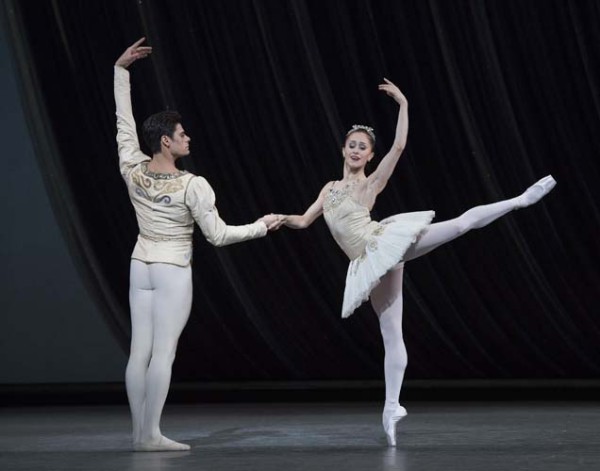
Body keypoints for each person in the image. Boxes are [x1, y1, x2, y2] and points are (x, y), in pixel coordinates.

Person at [280, 79, 556, 446]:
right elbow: (303, 220)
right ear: (343, 149)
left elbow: (399, 146)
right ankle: (391, 408)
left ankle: (519, 200)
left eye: (363, 147)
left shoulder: (371, 184)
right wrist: (279, 219)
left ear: (370, 155)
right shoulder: (329, 189)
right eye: (352, 145)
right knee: (391, 333)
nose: (357, 150)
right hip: (369, 264)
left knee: (459, 225)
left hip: (382, 243)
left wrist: (404, 104)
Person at [114, 38, 280, 451]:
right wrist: (260, 226)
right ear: (166, 142)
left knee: (140, 352)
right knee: (163, 353)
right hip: (171, 269)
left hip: (141, 265)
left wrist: (120, 72)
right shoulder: (193, 185)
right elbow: (219, 236)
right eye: (181, 133)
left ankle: (140, 434)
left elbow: (123, 122)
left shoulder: (131, 168)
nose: (187, 137)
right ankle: (149, 435)